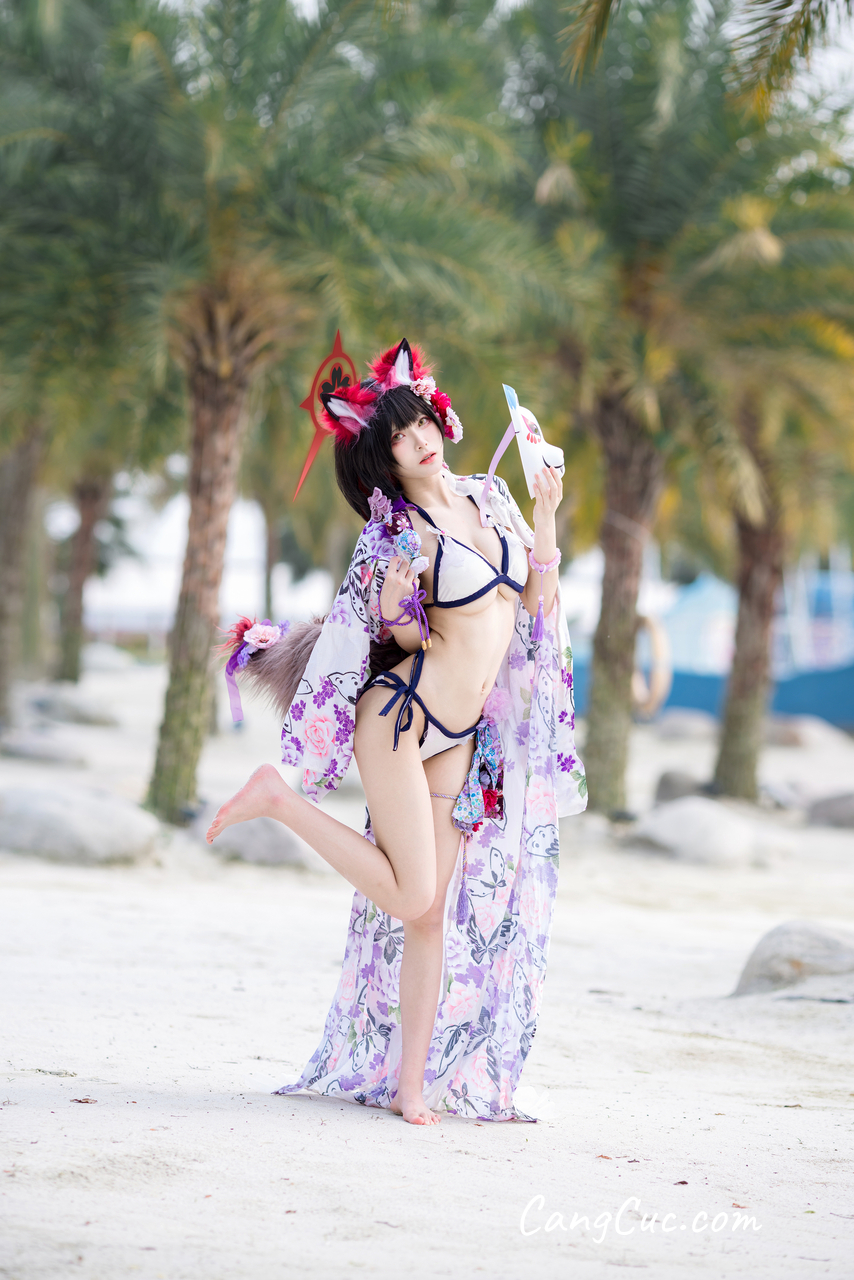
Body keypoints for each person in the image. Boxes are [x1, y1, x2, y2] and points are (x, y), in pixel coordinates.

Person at [207, 339, 586, 1125]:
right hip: (400, 719)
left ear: (438, 418)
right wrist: (392, 605)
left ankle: (410, 1086)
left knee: (427, 915)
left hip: (461, 734)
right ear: (383, 459)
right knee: (413, 892)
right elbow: (401, 638)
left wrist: (546, 514)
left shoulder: (491, 497)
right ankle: (277, 798)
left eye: (421, 423)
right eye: (400, 437)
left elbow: (537, 606)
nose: (419, 440)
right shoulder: (396, 533)